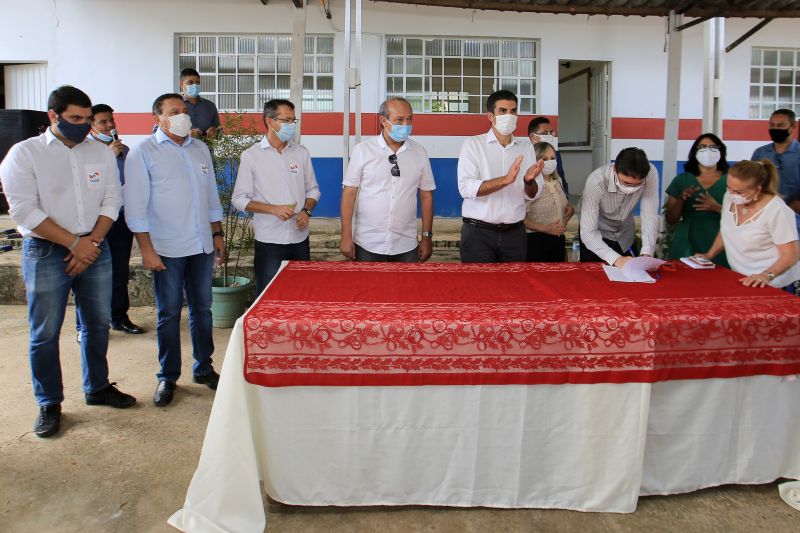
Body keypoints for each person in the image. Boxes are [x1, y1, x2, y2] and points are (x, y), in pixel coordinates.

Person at [0, 86, 136, 438]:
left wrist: (90, 243)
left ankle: (98, 387)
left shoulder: (101, 153)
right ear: (53, 116)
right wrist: (75, 244)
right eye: (75, 119)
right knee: (44, 333)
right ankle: (49, 402)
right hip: (46, 251)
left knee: (97, 324)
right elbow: (24, 210)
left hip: (95, 246)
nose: (83, 125)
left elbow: (112, 201)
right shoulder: (24, 154)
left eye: (87, 119)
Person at [124, 93, 225, 407]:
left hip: (201, 245)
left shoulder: (199, 150)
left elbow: (210, 196)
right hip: (166, 247)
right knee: (168, 314)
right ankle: (167, 376)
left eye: (185, 111)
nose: (184, 116)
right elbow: (135, 207)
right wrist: (147, 249)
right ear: (157, 118)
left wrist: (217, 232)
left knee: (202, 310)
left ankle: (203, 367)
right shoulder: (143, 152)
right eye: (174, 112)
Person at [232, 99, 320, 294]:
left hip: (299, 239)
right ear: (270, 121)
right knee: (269, 294)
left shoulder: (301, 153)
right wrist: (273, 209)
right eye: (286, 120)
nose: (291, 125)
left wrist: (307, 211)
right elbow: (238, 199)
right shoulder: (251, 156)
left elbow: (313, 189)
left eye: (293, 120)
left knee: (301, 293)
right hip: (269, 240)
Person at [75, 104, 145, 343]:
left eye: (111, 121)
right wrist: (109, 156)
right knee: (90, 272)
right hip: (93, 223)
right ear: (91, 126)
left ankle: (119, 317)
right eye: (103, 122)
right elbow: (84, 186)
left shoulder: (124, 149)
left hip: (120, 218)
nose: (110, 126)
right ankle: (84, 325)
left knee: (119, 271)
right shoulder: (82, 151)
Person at [340, 97, 435, 262]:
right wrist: (346, 235)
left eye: (409, 119)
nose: (406, 125)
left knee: (405, 288)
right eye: (399, 120)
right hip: (368, 243)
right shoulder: (363, 151)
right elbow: (349, 194)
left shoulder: (419, 153)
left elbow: (426, 196)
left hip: (405, 244)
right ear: (383, 121)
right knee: (367, 287)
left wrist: (427, 237)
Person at [457, 90, 544, 263]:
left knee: (513, 287)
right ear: (490, 116)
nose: (509, 116)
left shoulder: (526, 148)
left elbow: (534, 194)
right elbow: (466, 188)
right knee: (479, 287)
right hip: (478, 234)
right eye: (502, 111)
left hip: (515, 234)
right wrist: (506, 180)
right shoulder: (474, 145)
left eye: (513, 111)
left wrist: (528, 181)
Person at [697, 160, 800, 295]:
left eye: (739, 191)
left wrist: (766, 275)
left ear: (758, 189)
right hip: (744, 280)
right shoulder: (730, 197)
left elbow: (791, 254)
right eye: (728, 187)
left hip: (776, 283)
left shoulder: (777, 210)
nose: (732, 194)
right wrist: (709, 254)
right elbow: (727, 229)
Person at [579, 147, 660, 266]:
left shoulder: (650, 173)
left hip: (624, 234)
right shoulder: (596, 182)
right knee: (595, 276)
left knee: (629, 274)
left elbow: (649, 214)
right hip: (596, 234)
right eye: (627, 183)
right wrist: (616, 259)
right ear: (615, 169)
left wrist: (647, 252)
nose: (632, 189)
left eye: (638, 185)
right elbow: (588, 232)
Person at [664, 133, 730, 267]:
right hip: (687, 240)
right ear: (695, 152)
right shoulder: (682, 180)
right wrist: (682, 199)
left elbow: (742, 217)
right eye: (702, 147)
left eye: (712, 147)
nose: (708, 151)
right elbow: (670, 220)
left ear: (720, 150)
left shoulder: (731, 180)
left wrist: (716, 207)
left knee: (720, 282)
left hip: (720, 240)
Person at [751, 109, 800, 234]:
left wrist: (792, 208)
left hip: (795, 217)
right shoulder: (760, 153)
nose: (775, 128)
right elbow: (751, 182)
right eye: (772, 125)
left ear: (792, 127)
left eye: (780, 125)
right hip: (764, 216)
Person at [524, 142, 574, 262]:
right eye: (544, 159)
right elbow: (520, 218)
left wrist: (570, 210)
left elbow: (563, 204)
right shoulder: (530, 185)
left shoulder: (558, 180)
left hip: (558, 239)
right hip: (535, 241)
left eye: (552, 158)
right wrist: (545, 228)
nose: (549, 162)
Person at [528, 116, 569, 195]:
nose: (550, 136)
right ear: (532, 136)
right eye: (545, 133)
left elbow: (561, 178)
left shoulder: (556, 154)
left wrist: (566, 199)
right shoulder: (526, 156)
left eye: (551, 133)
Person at [179, 67, 220, 139]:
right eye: (190, 83)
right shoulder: (174, 105)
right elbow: (159, 131)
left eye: (197, 83)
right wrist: (186, 134)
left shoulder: (210, 106)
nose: (194, 86)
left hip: (206, 149)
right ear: (181, 84)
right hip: (181, 149)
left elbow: (219, 131)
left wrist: (215, 131)